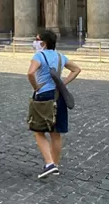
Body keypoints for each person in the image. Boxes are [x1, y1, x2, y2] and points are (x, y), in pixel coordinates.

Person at [27, 29, 82, 179]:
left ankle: (49, 163)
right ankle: (55, 165)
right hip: (58, 96)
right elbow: (77, 69)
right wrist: (63, 83)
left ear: (43, 43)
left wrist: (36, 87)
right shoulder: (60, 56)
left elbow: (30, 73)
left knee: (39, 131)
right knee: (56, 133)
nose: (36, 42)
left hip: (43, 96)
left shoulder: (39, 55)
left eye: (37, 39)